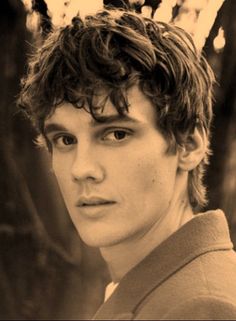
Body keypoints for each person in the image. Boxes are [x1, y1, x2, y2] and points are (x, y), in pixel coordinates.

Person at [18, 7, 236, 320]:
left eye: (116, 134)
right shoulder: (155, 290)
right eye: (65, 140)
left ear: (189, 144)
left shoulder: (200, 308)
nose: (81, 169)